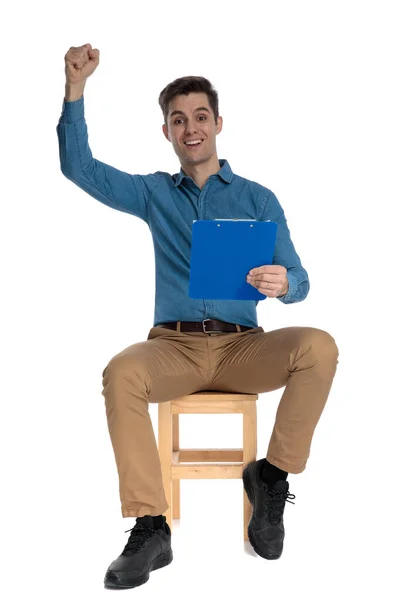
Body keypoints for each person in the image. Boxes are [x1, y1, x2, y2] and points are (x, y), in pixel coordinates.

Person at [57, 43, 339, 590]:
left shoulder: (258, 199)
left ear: (218, 123)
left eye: (200, 117)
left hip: (244, 349)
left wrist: (286, 284)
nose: (191, 129)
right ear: (166, 131)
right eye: (178, 120)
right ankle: (150, 525)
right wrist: (75, 90)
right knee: (121, 372)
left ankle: (271, 478)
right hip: (175, 349)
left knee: (320, 346)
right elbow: (79, 167)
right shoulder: (154, 193)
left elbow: (301, 280)